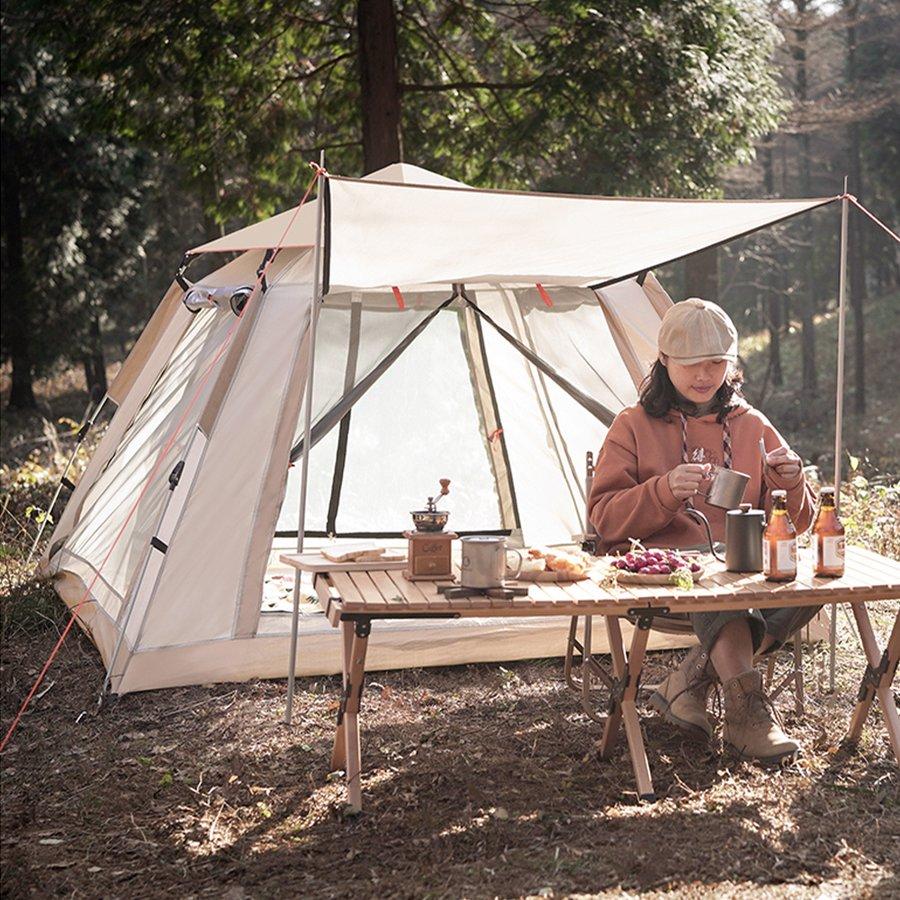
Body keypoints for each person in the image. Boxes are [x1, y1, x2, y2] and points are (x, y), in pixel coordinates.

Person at [588, 297, 820, 763]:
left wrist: (792, 485)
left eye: (715, 363)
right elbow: (604, 519)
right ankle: (748, 716)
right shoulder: (633, 426)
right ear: (664, 361)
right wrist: (662, 491)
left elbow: (803, 523)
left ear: (730, 365)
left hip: (742, 570)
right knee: (717, 590)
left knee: (814, 584)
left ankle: (691, 677)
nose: (703, 376)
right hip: (664, 577)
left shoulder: (751, 424)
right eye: (690, 364)